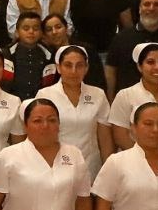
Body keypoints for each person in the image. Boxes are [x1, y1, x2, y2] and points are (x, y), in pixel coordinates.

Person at [37, 46, 114, 180]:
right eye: (68, 65)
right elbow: (41, 137)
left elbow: (105, 138)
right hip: (55, 167)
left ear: (86, 68)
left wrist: (109, 170)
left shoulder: (98, 94)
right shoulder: (45, 95)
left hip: (90, 167)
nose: (74, 71)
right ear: (59, 68)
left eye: (79, 66)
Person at [1, 12, 56, 101]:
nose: (31, 32)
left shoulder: (50, 56)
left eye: (36, 28)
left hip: (40, 104)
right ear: (17, 32)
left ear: (41, 33)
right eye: (26, 28)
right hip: (9, 103)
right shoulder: (5, 55)